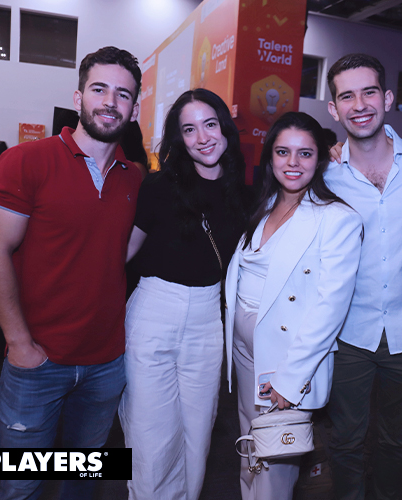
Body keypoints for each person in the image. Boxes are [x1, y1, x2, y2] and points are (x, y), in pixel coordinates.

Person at [0, 46, 142, 500]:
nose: (110, 101)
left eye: (123, 94)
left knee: (82, 485)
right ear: (78, 97)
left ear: (134, 109)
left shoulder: (135, 179)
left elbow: (118, 256)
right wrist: (18, 343)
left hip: (106, 365)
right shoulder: (25, 160)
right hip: (36, 361)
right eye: (99, 89)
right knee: (19, 487)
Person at [119, 88, 253, 500]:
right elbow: (122, 254)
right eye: (190, 129)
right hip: (154, 312)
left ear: (225, 128)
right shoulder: (160, 187)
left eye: (210, 124)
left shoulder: (243, 192)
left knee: (198, 436)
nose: (203, 137)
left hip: (208, 320)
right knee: (151, 437)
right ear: (179, 138)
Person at [225, 111, 363, 500]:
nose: (293, 162)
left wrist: (291, 379)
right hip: (246, 354)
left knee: (274, 472)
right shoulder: (264, 205)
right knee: (251, 457)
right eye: (283, 151)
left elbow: (329, 309)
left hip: (285, 361)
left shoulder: (337, 219)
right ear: (270, 156)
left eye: (305, 153)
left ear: (319, 160)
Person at [324, 54, 402, 500]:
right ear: (333, 108)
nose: (359, 105)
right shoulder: (325, 175)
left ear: (387, 98)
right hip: (347, 333)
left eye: (369, 92)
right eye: (346, 96)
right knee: (345, 441)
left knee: (398, 441)